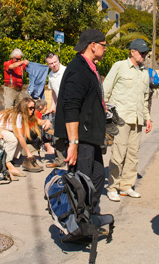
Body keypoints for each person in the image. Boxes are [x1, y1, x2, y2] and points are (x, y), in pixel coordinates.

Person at [54, 29, 107, 209]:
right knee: (82, 184)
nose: (105, 49)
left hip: (90, 137)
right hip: (81, 139)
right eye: (103, 45)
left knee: (98, 176)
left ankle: (87, 216)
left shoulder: (89, 68)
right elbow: (71, 108)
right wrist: (73, 143)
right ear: (93, 46)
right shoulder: (78, 69)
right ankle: (78, 226)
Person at [103, 38, 152, 202]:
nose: (145, 55)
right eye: (142, 52)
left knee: (133, 155)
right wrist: (105, 113)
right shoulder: (119, 66)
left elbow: (145, 98)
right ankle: (112, 187)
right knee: (118, 154)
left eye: (146, 53)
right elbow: (106, 90)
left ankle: (126, 186)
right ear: (132, 52)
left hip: (137, 120)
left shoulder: (144, 73)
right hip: (121, 119)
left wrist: (147, 117)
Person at [0, 97, 49, 178]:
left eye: (33, 108)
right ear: (24, 107)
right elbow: (20, 137)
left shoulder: (26, 114)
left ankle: (13, 158)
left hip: (3, 128)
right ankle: (6, 163)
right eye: (30, 108)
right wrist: (29, 154)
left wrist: (47, 121)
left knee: (22, 136)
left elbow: (39, 122)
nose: (33, 110)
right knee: (13, 139)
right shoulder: (18, 115)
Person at [45, 52, 66, 168]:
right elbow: (53, 92)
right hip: (60, 108)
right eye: (51, 64)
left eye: (55, 62)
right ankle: (59, 160)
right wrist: (53, 107)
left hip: (70, 107)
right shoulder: (51, 75)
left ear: (58, 60)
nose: (54, 65)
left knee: (72, 134)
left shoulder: (67, 71)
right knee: (58, 134)